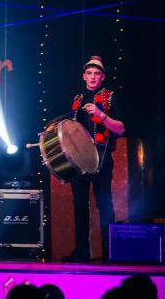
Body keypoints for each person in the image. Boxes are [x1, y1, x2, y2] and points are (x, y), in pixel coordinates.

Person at [64, 55, 125, 263]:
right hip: (79, 159)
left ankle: (110, 252)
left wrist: (102, 115)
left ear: (102, 77)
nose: (92, 77)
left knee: (104, 204)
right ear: (84, 76)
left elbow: (121, 129)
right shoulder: (77, 100)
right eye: (89, 73)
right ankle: (82, 251)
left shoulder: (110, 97)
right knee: (79, 205)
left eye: (96, 73)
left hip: (101, 157)